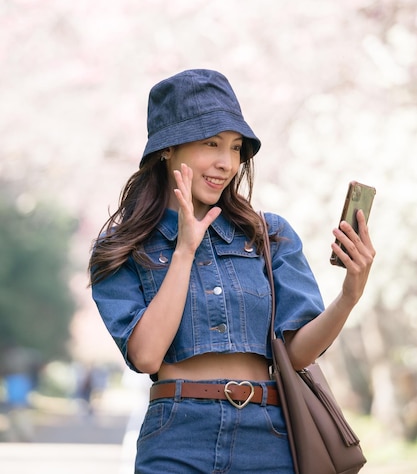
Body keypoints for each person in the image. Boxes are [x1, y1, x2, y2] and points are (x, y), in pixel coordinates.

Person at [89, 69, 375, 474]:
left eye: (236, 148)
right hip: (176, 435)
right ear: (167, 148)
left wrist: (350, 295)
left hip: (269, 437)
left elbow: (296, 354)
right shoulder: (123, 247)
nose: (226, 163)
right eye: (211, 144)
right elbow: (146, 354)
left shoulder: (269, 234)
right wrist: (185, 248)